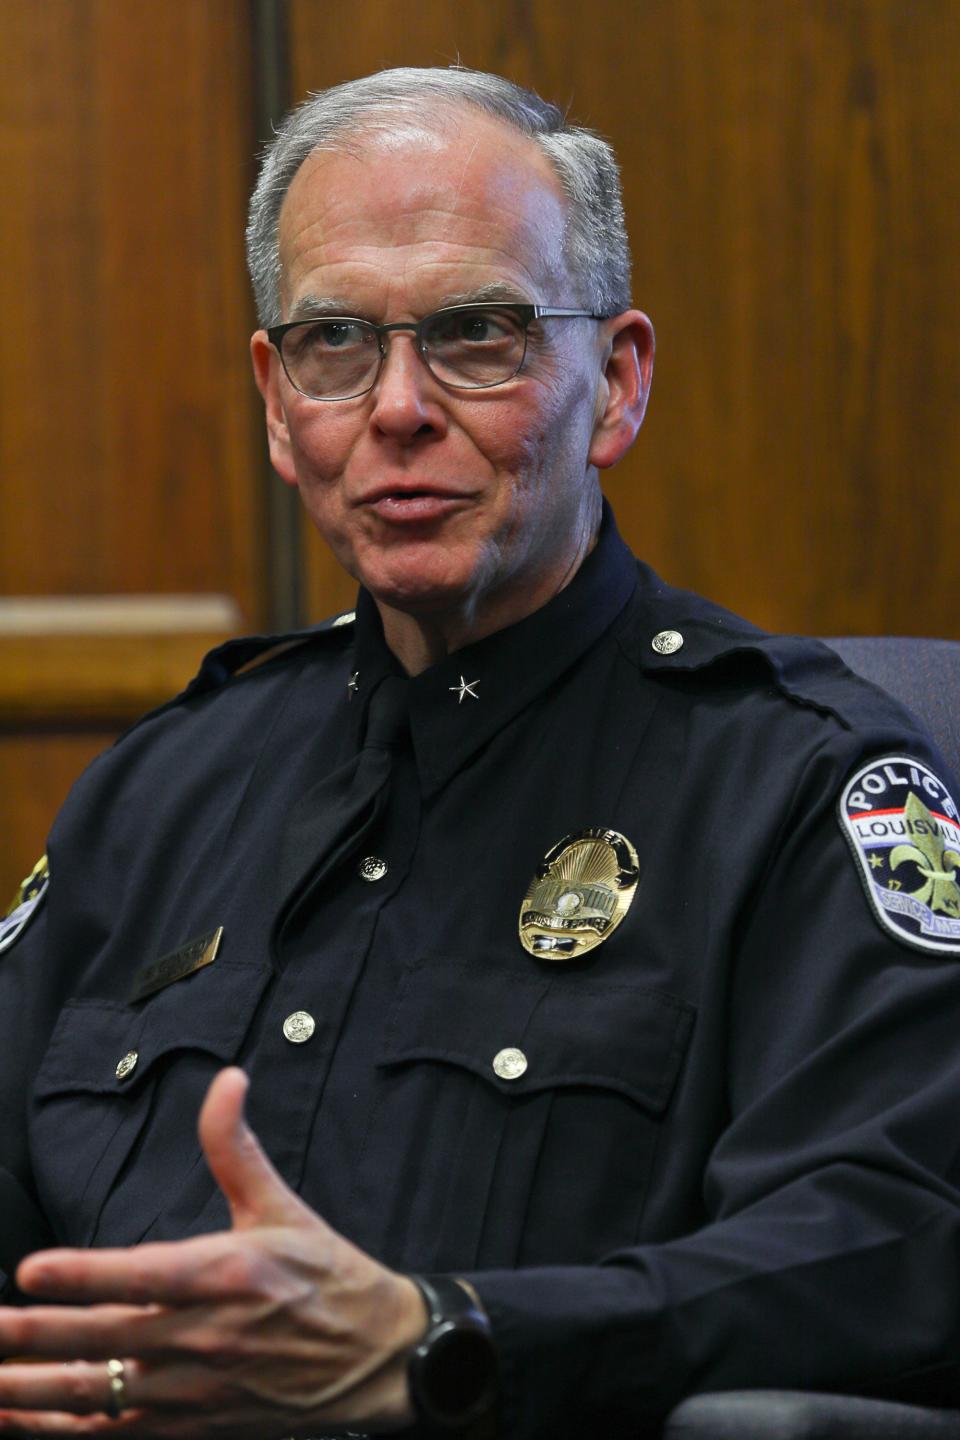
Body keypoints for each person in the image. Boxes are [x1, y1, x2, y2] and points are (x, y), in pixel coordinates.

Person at [1, 64, 960, 1440]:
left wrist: (445, 1342)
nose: (397, 404)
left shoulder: (796, 783)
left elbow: (895, 1239)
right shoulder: (157, 794)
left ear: (616, 383)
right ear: (279, 403)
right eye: (336, 340)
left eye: (478, 334)